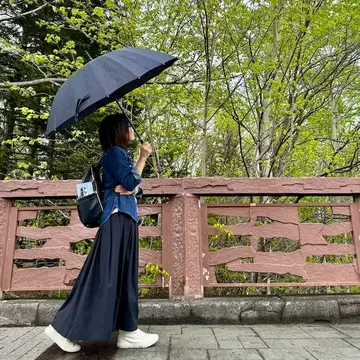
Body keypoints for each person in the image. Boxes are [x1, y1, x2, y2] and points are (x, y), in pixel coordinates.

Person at [44, 113, 158, 352]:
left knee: (122, 277)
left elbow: (135, 188)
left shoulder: (117, 155)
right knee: (102, 277)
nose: (132, 128)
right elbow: (130, 182)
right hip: (117, 219)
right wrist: (143, 158)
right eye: (128, 125)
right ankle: (62, 328)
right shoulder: (116, 153)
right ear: (119, 130)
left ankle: (128, 331)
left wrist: (134, 189)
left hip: (124, 219)